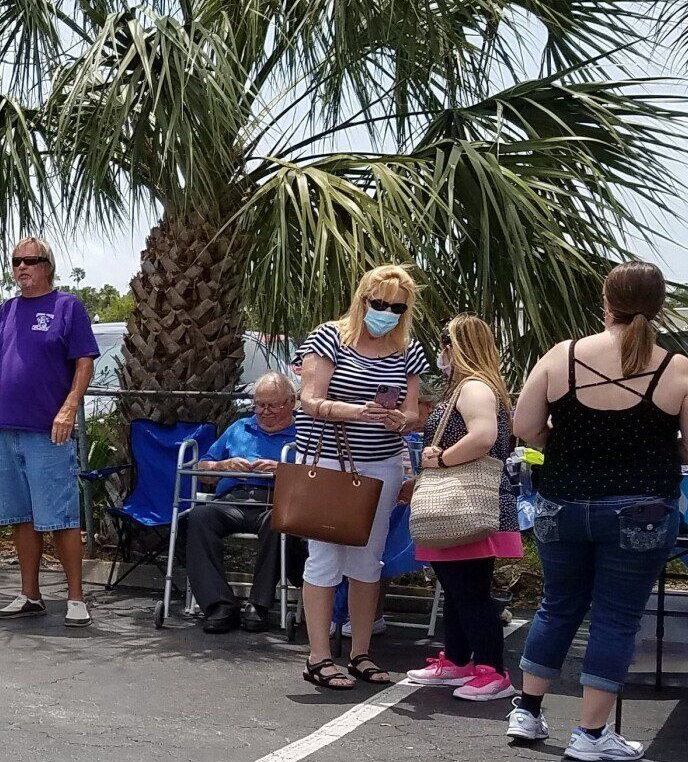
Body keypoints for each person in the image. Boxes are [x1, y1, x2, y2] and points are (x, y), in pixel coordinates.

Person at [507, 262, 688, 761]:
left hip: (562, 503)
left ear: (605, 301)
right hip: (640, 508)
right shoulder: (676, 368)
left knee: (557, 605)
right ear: (658, 307)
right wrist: (663, 451)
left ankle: (527, 712)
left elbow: (525, 425)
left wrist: (568, 446)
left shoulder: (561, 356)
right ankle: (591, 736)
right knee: (616, 619)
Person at [295, 265, 430, 690]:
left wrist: (400, 420)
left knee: (368, 559)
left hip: (382, 463)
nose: (387, 312)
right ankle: (318, 656)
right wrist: (355, 411)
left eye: (397, 306)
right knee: (324, 556)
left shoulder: (409, 349)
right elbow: (309, 398)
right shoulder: (328, 336)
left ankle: (360, 652)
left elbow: (414, 410)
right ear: (362, 300)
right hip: (328, 462)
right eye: (380, 303)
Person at [0, 237, 99, 625]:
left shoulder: (67, 307)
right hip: (6, 427)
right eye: (16, 260)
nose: (22, 267)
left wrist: (70, 407)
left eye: (31, 260)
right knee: (21, 515)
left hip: (47, 430)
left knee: (61, 516)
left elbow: (84, 363)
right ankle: (29, 594)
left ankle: (75, 598)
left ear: (47, 265)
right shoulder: (5, 311)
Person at [404, 315, 522, 701]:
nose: (442, 355)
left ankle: (492, 669)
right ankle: (457, 659)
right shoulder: (478, 387)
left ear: (453, 347)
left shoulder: (472, 388)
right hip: (466, 502)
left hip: (466, 501)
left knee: (468, 590)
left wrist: (441, 460)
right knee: (458, 588)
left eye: (444, 346)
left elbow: (484, 437)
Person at [184, 373, 298, 634]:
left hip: (273, 501)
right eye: (259, 405)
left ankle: (259, 605)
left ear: (291, 402)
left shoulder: (302, 433)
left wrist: (283, 469)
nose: (265, 412)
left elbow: (315, 476)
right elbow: (202, 469)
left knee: (278, 522)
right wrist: (222, 467)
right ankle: (219, 605)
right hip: (232, 498)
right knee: (199, 518)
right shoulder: (239, 428)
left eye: (273, 405)